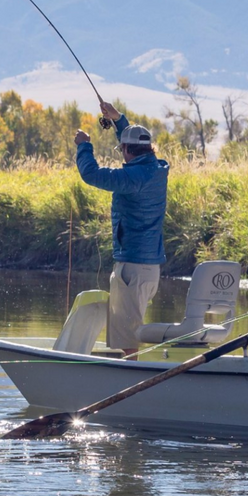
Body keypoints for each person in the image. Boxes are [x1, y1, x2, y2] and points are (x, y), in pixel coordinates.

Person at [75, 100, 169, 358]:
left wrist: (84, 145)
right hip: (148, 269)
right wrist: (118, 119)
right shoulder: (156, 169)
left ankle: (129, 380)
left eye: (123, 149)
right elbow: (134, 145)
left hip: (132, 269)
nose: (122, 153)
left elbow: (92, 174)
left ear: (127, 150)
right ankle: (129, 373)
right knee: (129, 330)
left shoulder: (131, 178)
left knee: (127, 337)